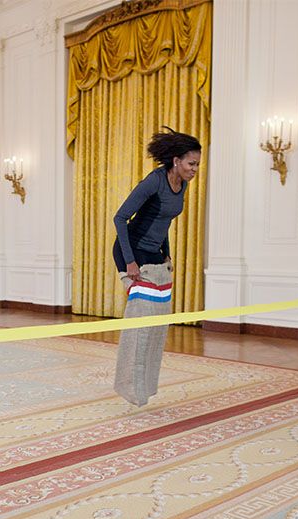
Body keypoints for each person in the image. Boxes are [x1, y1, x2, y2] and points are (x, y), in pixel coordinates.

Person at [111, 127, 201, 406]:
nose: (194, 169)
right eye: (191, 163)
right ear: (176, 160)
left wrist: (167, 254)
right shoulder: (154, 181)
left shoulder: (182, 184)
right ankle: (129, 388)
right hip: (132, 253)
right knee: (140, 326)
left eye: (197, 165)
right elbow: (120, 218)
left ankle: (144, 389)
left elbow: (165, 222)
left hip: (155, 256)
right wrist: (130, 263)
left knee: (157, 326)